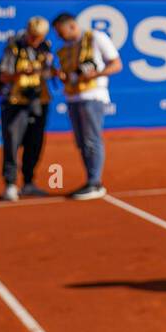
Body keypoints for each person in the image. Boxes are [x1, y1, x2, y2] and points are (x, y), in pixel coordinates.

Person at [54, 13, 122, 200]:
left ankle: (95, 183)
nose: (59, 37)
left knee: (92, 139)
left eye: (61, 32)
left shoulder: (96, 37)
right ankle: (90, 180)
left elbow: (116, 64)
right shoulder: (65, 49)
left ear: (71, 26)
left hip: (93, 95)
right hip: (73, 97)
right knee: (82, 142)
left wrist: (95, 75)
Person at [0, 17, 56, 201]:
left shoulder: (45, 47)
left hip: (39, 101)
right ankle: (10, 184)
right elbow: (3, 76)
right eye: (32, 37)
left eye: (39, 37)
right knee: (12, 143)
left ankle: (29, 182)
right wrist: (21, 74)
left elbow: (49, 72)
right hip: (15, 101)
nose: (35, 40)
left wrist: (49, 69)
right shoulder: (13, 48)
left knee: (35, 143)